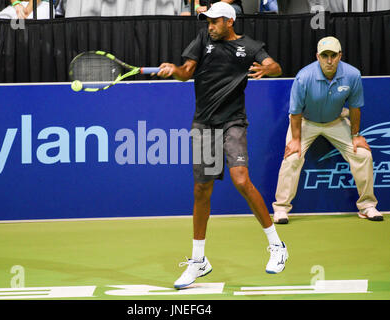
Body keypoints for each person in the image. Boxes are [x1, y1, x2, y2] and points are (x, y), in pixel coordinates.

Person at [157, 1, 288, 289]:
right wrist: (174, 70)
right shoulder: (203, 39)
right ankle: (198, 261)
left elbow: (274, 66)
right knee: (202, 189)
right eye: (208, 21)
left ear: (229, 21)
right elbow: (187, 70)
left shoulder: (249, 46)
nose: (209, 26)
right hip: (204, 123)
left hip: (233, 122)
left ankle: (277, 246)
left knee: (241, 180)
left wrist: (269, 69)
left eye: (214, 21)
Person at [272, 36, 383, 224]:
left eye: (333, 55)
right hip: (305, 122)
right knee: (292, 157)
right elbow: (295, 111)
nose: (329, 60)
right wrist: (296, 140)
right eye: (325, 56)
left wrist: (356, 135)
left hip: (335, 121)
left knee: (363, 155)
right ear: (318, 56)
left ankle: (367, 206)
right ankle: (281, 209)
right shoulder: (304, 77)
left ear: (340, 55)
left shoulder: (352, 75)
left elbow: (355, 108)